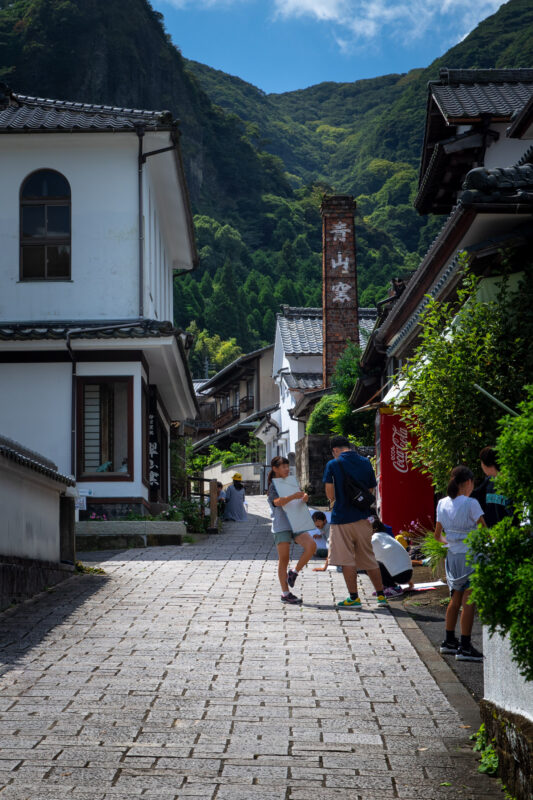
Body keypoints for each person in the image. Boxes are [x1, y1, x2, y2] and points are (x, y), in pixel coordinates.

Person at [322, 435, 388, 607]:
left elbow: (330, 494)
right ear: (348, 446)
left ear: (335, 450)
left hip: (341, 518)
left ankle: (354, 598)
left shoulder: (333, 464)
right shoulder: (366, 462)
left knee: (346, 560)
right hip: (363, 517)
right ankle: (381, 596)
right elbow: (371, 489)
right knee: (368, 557)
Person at [435, 465, 486, 662]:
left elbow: (437, 536)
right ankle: (465, 646)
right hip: (470, 555)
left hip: (452, 556)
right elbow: (483, 531)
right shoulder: (471, 503)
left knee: (454, 599)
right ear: (468, 483)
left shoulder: (442, 503)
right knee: (469, 601)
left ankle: (449, 641)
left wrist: (453, 542)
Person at [267, 455, 316, 605]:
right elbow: (278, 502)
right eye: (283, 467)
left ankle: (294, 572)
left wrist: (304, 497)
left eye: (287, 466)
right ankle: (285, 593)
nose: (287, 469)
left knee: (311, 546)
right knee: (284, 559)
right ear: (275, 469)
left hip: (296, 521)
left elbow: (299, 497)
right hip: (282, 525)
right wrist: (293, 496)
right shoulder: (273, 486)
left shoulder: (291, 482)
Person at [475, 447, 515, 527]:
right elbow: (473, 496)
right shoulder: (489, 481)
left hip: (507, 534)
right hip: (492, 533)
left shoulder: (510, 483)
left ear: (484, 464)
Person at [371, 528, 414, 598]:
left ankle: (392, 587)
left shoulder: (374, 539)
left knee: (370, 564)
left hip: (400, 575)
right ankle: (387, 586)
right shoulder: (386, 536)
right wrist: (408, 580)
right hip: (407, 573)